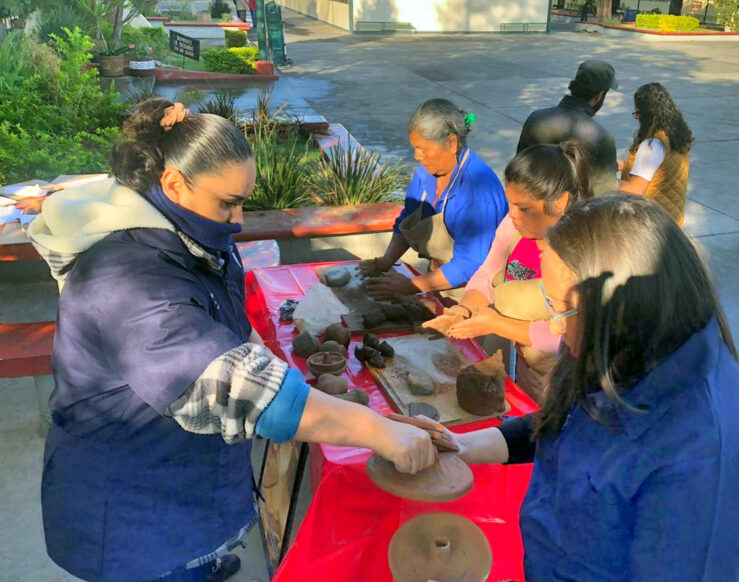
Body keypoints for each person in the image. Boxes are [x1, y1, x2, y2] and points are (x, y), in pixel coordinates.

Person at [28, 99, 437, 582]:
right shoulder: (126, 279)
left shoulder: (188, 235)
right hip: (130, 508)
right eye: (228, 203)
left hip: (178, 476)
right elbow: (243, 392)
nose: (239, 219)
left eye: (243, 201)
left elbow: (231, 335)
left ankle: (205, 556)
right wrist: (378, 432)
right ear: (174, 184)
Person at [424, 194, 739, 581]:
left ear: (627, 308)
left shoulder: (705, 461)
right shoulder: (609, 339)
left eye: (563, 308)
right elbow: (562, 422)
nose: (556, 327)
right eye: (551, 303)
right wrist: (464, 446)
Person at [422, 142, 593, 403]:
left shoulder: (581, 251)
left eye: (523, 208)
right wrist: (463, 310)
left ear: (559, 202)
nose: (512, 214)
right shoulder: (514, 227)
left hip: (568, 378)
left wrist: (495, 323)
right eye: (510, 203)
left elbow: (567, 335)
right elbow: (487, 274)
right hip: (529, 367)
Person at [361, 99, 507, 301]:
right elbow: (409, 218)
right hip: (439, 285)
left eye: (423, 149)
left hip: (475, 296)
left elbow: (470, 263)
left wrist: (413, 285)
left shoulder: (477, 192)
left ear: (452, 143)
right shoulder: (426, 174)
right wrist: (386, 261)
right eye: (414, 148)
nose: (416, 156)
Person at [516, 60, 618, 197]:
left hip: (533, 207)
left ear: (573, 87)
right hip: (574, 216)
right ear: (599, 96)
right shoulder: (601, 138)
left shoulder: (536, 118)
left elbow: (519, 170)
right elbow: (605, 196)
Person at [618, 82, 693, 227]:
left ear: (649, 114)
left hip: (651, 224)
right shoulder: (675, 135)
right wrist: (620, 165)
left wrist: (601, 181)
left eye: (638, 113)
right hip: (671, 221)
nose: (636, 118)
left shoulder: (652, 145)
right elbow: (656, 168)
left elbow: (634, 190)